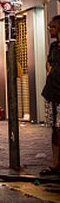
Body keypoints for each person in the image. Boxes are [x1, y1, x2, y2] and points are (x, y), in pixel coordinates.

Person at [41, 15, 60, 176]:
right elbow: (48, 63)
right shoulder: (53, 46)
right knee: (55, 129)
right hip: (52, 92)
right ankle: (56, 164)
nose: (50, 31)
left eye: (52, 28)